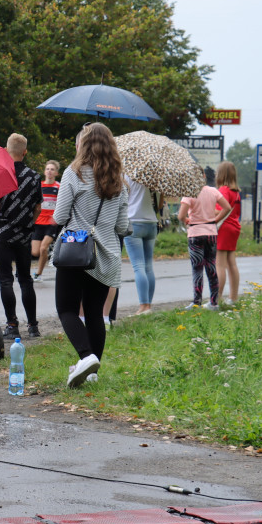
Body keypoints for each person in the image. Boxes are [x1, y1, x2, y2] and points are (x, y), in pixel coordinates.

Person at [52, 123, 129, 388]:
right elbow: (122, 227)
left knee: (66, 309)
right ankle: (94, 372)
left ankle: (85, 358)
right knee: (96, 312)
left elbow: (60, 216)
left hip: (76, 249)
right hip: (106, 253)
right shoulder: (119, 179)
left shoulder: (73, 174)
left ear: (84, 144)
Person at [0, 133, 42, 340]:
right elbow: (38, 207)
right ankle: (33, 326)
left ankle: (12, 324)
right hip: (24, 234)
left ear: (6, 150)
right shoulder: (34, 177)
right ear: (25, 152)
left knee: (5, 280)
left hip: (2, 232)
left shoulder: (0, 174)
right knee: (25, 279)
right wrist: (29, 223)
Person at [178, 169, 231, 310]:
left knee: (197, 269)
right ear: (204, 176)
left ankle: (196, 302)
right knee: (211, 268)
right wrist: (215, 220)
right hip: (211, 233)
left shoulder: (189, 193)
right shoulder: (213, 191)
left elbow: (180, 215)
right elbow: (227, 207)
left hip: (195, 234)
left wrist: (186, 219)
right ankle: (214, 303)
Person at [123, 176, 159, 315]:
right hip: (151, 222)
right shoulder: (151, 177)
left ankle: (143, 306)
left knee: (138, 266)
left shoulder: (125, 176)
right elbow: (159, 204)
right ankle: (148, 305)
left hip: (133, 221)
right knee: (148, 266)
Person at [215, 160, 242, 304]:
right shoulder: (236, 192)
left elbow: (219, 211)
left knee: (219, 265)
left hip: (224, 227)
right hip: (234, 227)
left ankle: (216, 298)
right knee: (232, 264)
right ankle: (233, 297)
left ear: (221, 174)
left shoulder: (223, 190)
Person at [31, 160, 61, 282]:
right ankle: (50, 250)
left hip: (51, 222)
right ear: (44, 172)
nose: (49, 171)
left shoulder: (59, 187)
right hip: (39, 221)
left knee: (43, 248)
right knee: (35, 252)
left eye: (52, 169)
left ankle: (38, 274)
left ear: (56, 173)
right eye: (47, 169)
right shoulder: (40, 186)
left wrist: (57, 216)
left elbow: (63, 204)